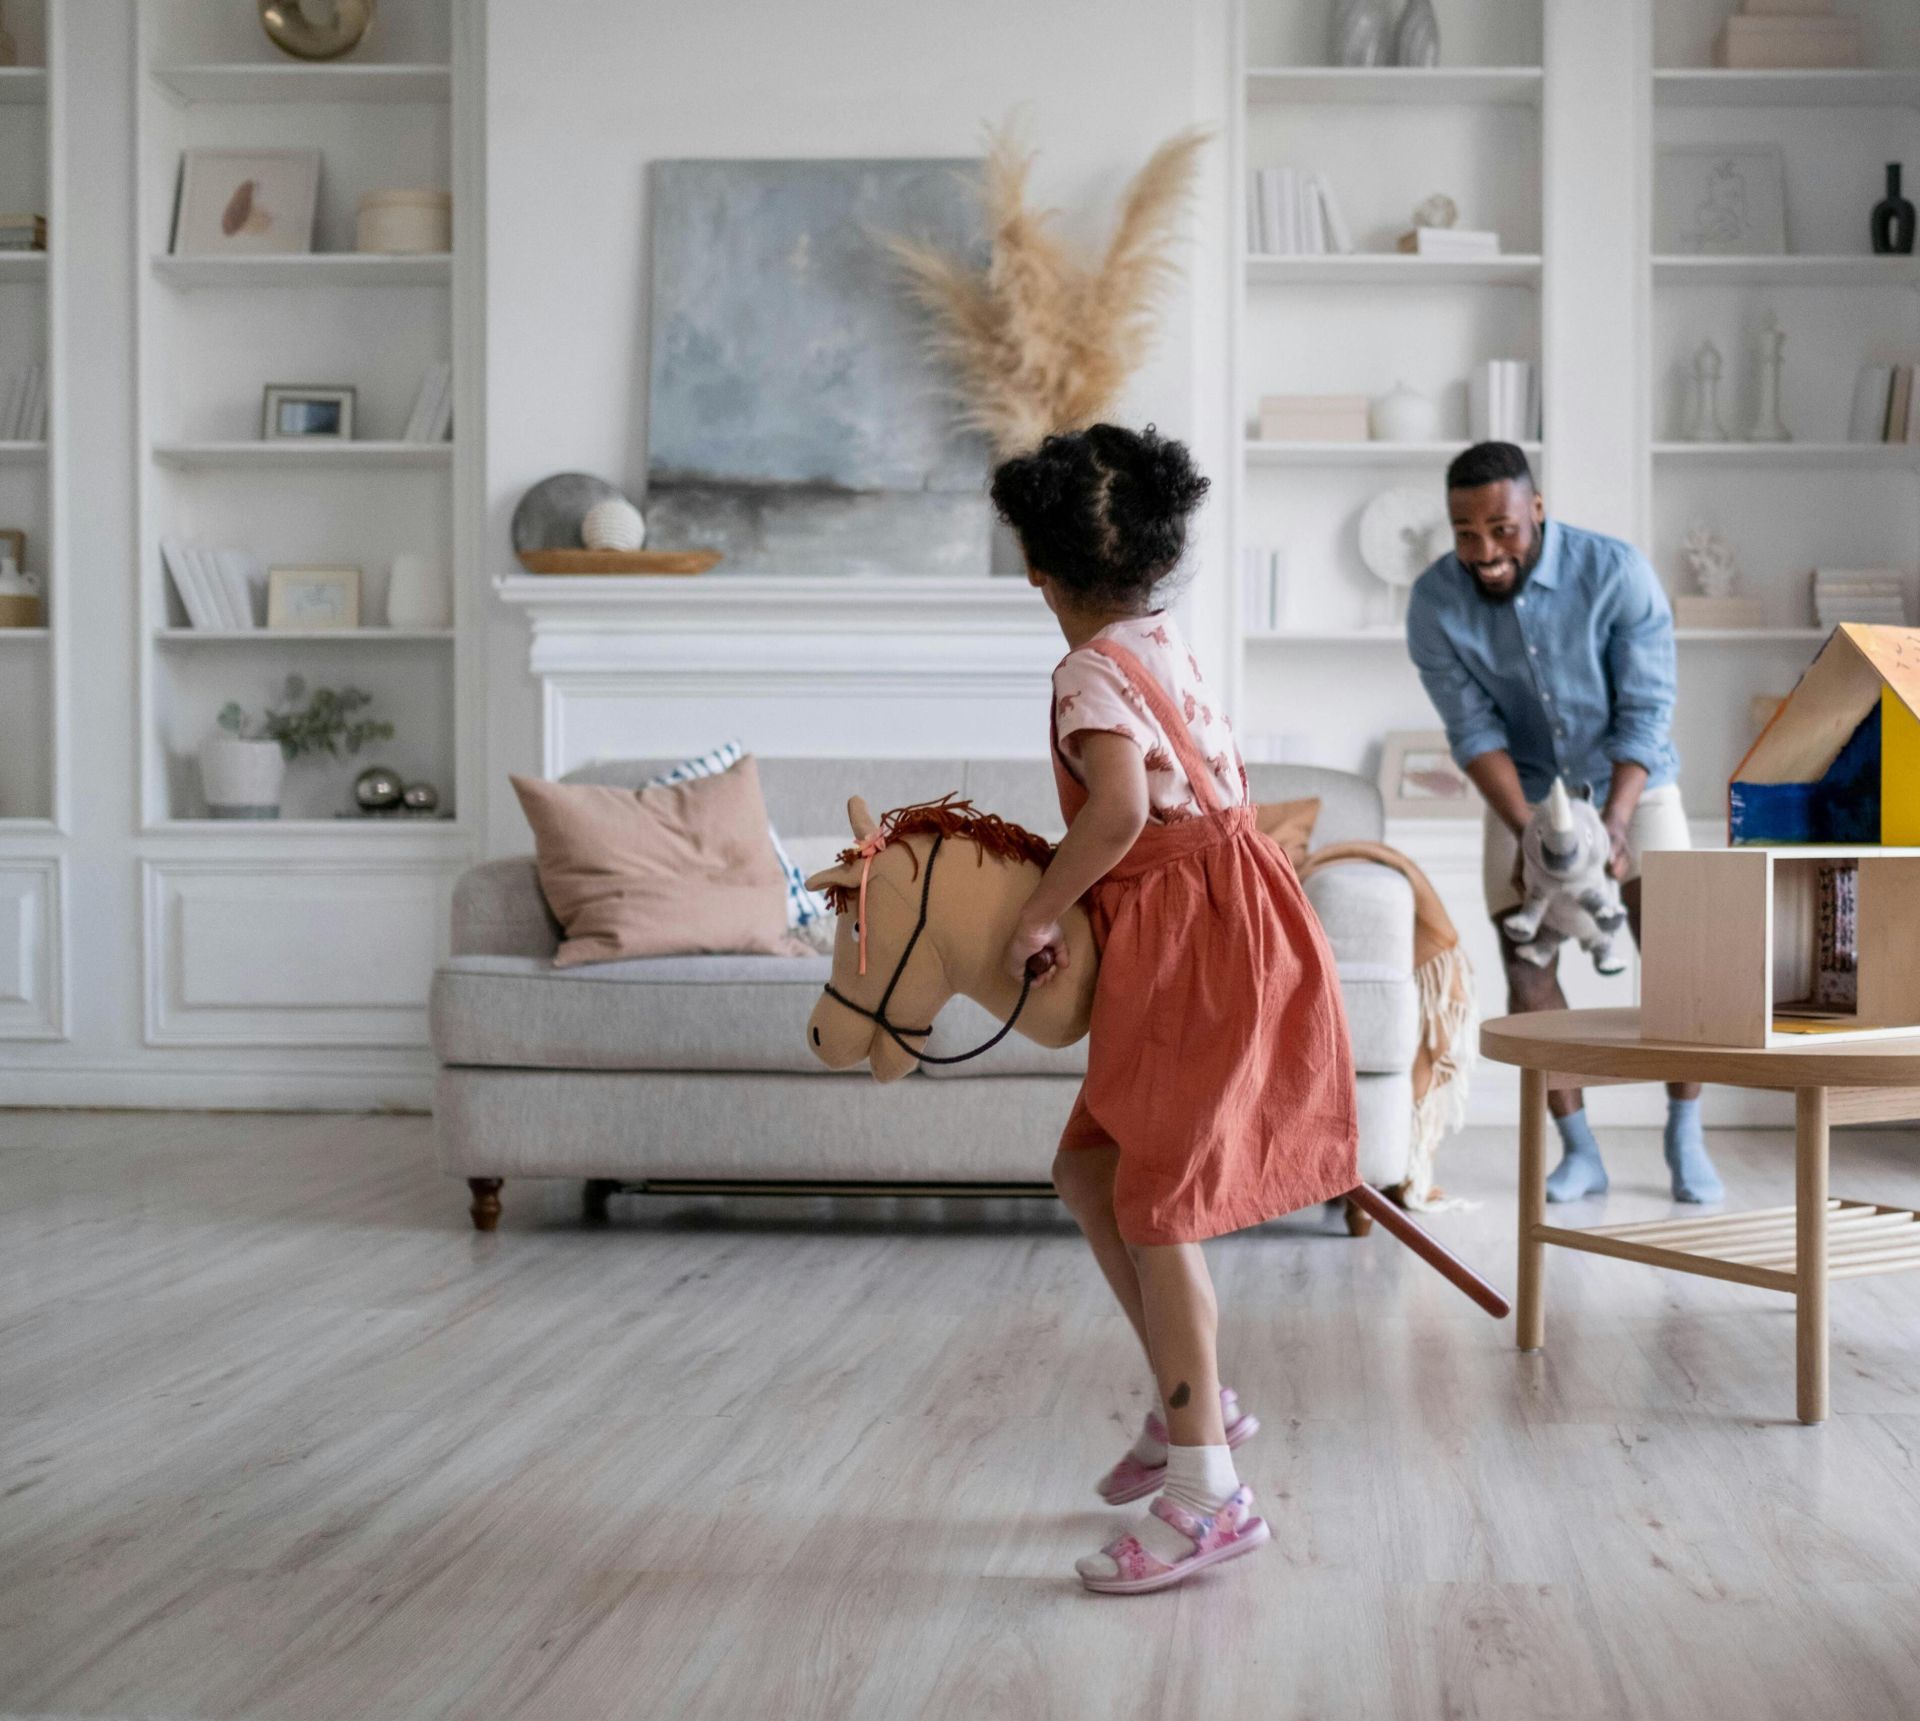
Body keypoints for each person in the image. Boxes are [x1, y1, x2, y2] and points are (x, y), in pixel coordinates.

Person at [992, 424, 1359, 1595]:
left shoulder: (1087, 670)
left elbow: (1111, 817)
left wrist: (1043, 912)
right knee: (1093, 1169)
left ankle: (1209, 1493)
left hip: (1198, 945)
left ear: (1038, 574)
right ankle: (1186, 1393)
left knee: (1155, 1204)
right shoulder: (1159, 642)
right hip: (1222, 921)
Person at [1405, 442, 1722, 1205]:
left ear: (1536, 510)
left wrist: (1613, 823)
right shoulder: (1432, 603)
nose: (1484, 552)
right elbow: (1471, 730)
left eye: (1503, 529)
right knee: (1526, 967)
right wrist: (1529, 832)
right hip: (1523, 793)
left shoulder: (1617, 573)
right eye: (1465, 533)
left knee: (1680, 962)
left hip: (1632, 786)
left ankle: (1686, 1134)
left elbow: (1646, 711)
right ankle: (1580, 1150)